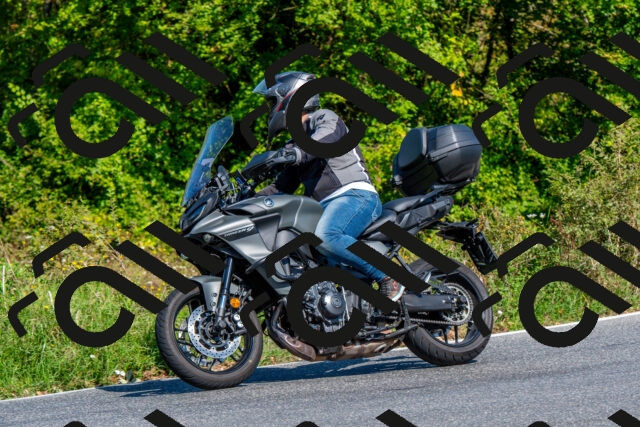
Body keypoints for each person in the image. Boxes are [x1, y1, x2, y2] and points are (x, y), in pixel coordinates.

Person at [252, 71, 404, 301]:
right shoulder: (294, 147)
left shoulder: (324, 118)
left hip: (355, 195)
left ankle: (388, 276)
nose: (269, 109)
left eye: (271, 102)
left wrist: (293, 153)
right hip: (324, 207)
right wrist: (245, 200)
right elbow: (279, 188)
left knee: (326, 236)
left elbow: (323, 141)